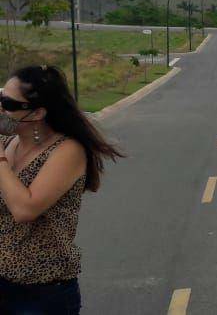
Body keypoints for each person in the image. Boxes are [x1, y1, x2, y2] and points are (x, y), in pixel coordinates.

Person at [0, 65, 125, 314]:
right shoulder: (8, 143)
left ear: (37, 113)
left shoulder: (67, 152)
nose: (0, 108)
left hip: (41, 294)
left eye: (8, 104)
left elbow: (25, 209)